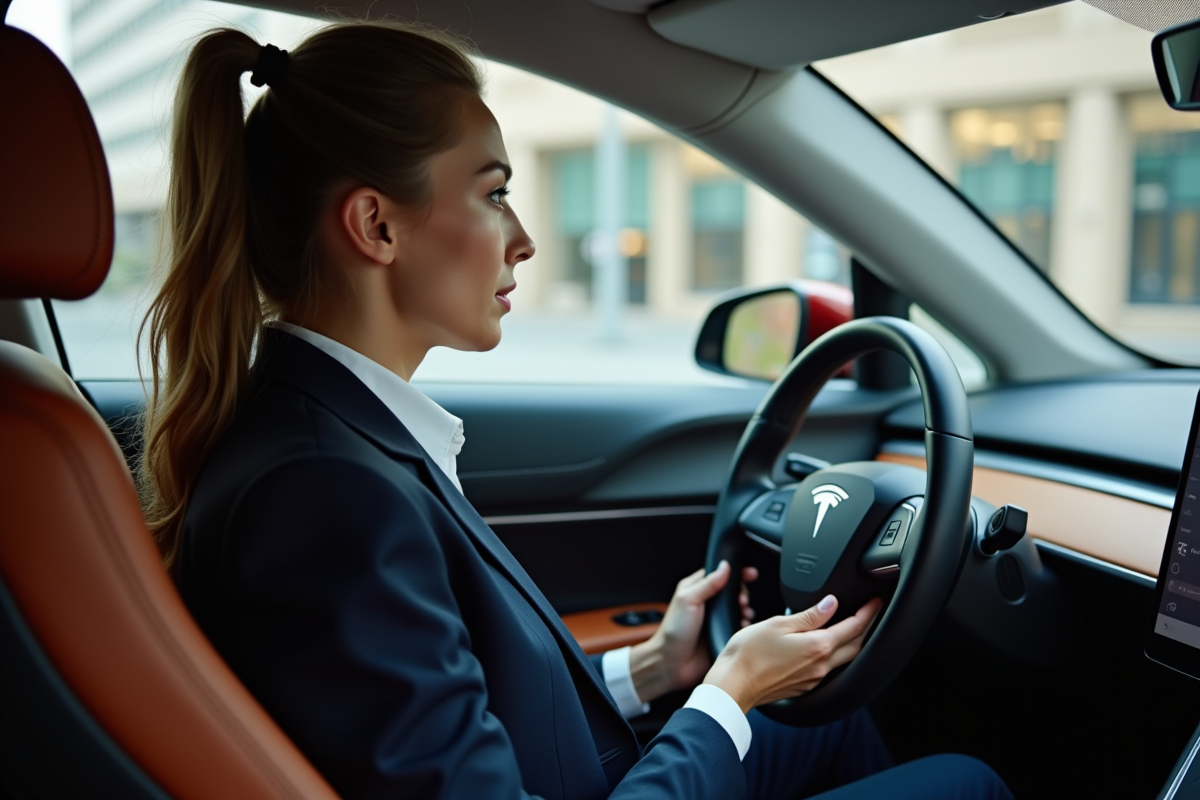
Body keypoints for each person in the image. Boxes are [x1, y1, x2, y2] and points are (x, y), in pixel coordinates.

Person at [138, 21, 1013, 800]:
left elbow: (466, 704)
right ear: (376, 225)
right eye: (491, 193)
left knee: (833, 726)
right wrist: (728, 694)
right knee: (967, 781)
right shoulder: (329, 492)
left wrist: (656, 668)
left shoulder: (325, 436)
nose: (522, 236)